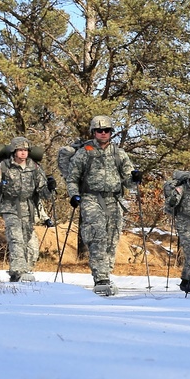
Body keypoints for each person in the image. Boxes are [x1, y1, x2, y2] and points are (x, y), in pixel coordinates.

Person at [65, 116, 141, 294]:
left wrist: (135, 178)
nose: (103, 133)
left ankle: (105, 272)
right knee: (97, 236)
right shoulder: (85, 152)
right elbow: (73, 178)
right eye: (99, 131)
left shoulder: (119, 153)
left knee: (112, 238)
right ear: (93, 132)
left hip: (114, 200)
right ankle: (101, 278)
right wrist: (74, 195)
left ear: (111, 133)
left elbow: (128, 181)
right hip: (91, 198)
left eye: (106, 130)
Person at [0, 136, 54, 283]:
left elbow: (43, 193)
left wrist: (50, 188)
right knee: (16, 239)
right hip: (10, 207)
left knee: (31, 245)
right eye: (20, 150)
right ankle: (19, 271)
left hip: (29, 209)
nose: (23, 153)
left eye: (26, 150)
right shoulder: (3, 166)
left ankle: (22, 272)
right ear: (14, 151)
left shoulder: (34, 168)